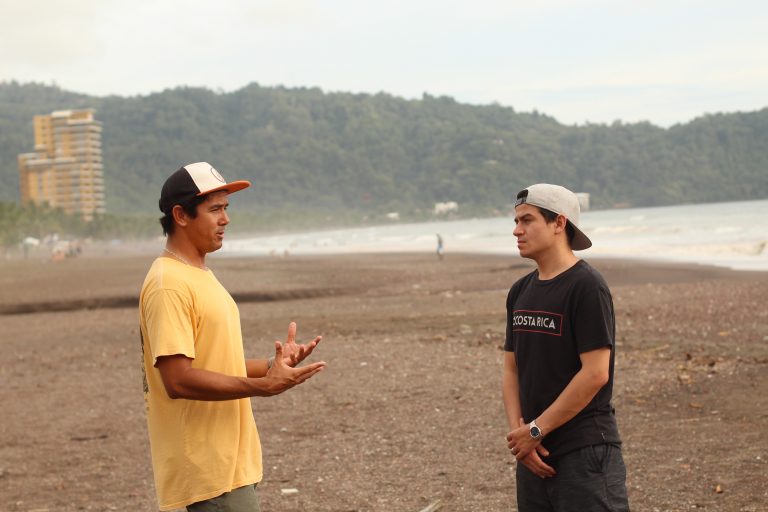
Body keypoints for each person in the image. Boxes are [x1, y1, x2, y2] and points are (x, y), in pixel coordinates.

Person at [139, 162, 326, 511]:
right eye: (214, 210)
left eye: (226, 208)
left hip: (229, 465)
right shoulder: (169, 284)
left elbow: (214, 363)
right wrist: (263, 388)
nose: (225, 219)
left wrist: (271, 366)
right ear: (180, 215)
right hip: (206, 475)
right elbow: (177, 380)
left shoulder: (198, 273)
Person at [502, 183, 629, 511]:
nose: (517, 230)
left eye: (527, 220)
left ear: (559, 223)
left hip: (584, 451)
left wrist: (535, 429)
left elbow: (596, 374)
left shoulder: (586, 287)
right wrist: (521, 436)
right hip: (533, 454)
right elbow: (511, 368)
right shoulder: (520, 291)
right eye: (516, 221)